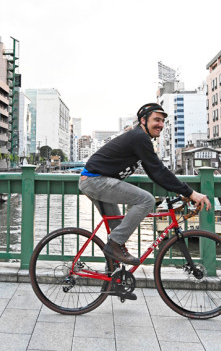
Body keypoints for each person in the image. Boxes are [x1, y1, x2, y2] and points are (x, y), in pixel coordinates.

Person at [79, 102, 211, 266]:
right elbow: (159, 171)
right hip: (96, 181)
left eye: (162, 121)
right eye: (156, 120)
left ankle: (114, 278)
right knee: (146, 200)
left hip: (95, 181)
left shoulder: (138, 137)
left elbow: (155, 172)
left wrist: (183, 190)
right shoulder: (139, 137)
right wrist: (191, 193)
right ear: (143, 120)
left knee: (117, 228)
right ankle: (114, 246)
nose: (161, 125)